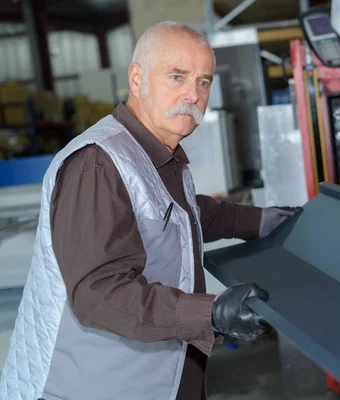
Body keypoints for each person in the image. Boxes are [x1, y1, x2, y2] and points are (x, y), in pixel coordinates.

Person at [0, 21, 299, 400]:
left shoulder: (159, 155)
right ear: (137, 78)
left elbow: (184, 214)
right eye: (177, 76)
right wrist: (211, 313)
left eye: (204, 81)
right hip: (89, 388)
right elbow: (101, 293)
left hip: (156, 378)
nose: (193, 93)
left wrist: (263, 221)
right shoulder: (98, 165)